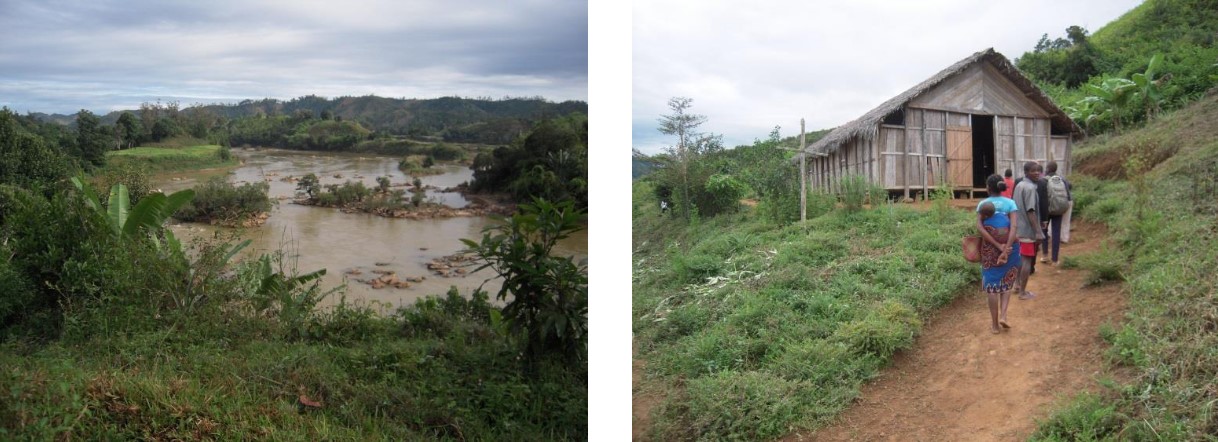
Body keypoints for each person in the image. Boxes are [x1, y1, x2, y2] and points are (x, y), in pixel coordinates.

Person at [976, 174, 1020, 334]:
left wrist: (997, 246)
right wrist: (1006, 247)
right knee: (1007, 280)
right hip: (1011, 248)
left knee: (992, 286)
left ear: (988, 188)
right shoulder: (1010, 203)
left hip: (990, 250)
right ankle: (1004, 316)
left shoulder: (983, 204)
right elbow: (1014, 227)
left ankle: (995, 325)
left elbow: (980, 227)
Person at [1012, 161, 1045, 300]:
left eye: (1038, 170)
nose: (1037, 173)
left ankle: (1017, 285)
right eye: (1033, 170)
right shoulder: (1030, 188)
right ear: (1026, 172)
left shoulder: (1019, 185)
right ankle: (1023, 293)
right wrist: (1038, 231)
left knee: (1021, 259)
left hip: (1018, 229)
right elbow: (1030, 211)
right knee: (1026, 260)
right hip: (1027, 231)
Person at [1041, 161, 1073, 265]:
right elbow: (1068, 196)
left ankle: (1045, 255)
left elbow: (1040, 197)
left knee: (1044, 232)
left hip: (1046, 210)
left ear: (1048, 169)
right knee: (1056, 232)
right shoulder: (1062, 179)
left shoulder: (1043, 180)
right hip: (1058, 209)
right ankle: (1055, 259)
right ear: (1056, 169)